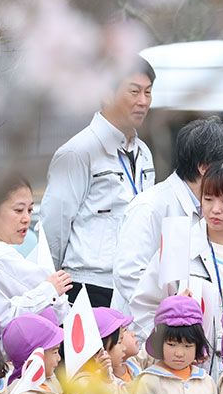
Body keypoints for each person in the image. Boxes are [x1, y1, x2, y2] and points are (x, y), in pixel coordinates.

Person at [130, 159, 223, 376]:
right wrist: (169, 348)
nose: (215, 210)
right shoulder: (178, 244)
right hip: (190, 375)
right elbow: (145, 306)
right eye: (208, 199)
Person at [41, 58, 156, 308]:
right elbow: (54, 224)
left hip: (134, 284)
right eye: (134, 91)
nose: (143, 101)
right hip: (88, 285)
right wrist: (51, 286)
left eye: (148, 92)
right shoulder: (77, 152)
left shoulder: (144, 153)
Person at [114, 117, 223, 316]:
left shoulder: (213, 207)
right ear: (204, 167)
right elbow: (130, 275)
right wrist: (173, 314)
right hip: (149, 330)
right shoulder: (151, 206)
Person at [0, 169, 72, 326]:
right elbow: (59, 307)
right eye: (18, 210)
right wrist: (51, 289)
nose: (26, 218)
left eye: (30, 210)